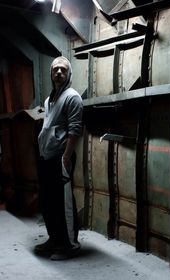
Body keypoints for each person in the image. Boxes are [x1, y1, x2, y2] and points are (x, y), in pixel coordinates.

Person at [35, 56, 83, 260]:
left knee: (63, 204)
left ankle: (69, 245)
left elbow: (75, 130)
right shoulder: (49, 99)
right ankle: (54, 238)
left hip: (60, 158)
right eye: (55, 69)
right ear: (51, 73)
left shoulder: (73, 97)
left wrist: (66, 157)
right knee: (49, 202)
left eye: (63, 69)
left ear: (69, 73)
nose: (59, 73)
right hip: (47, 157)